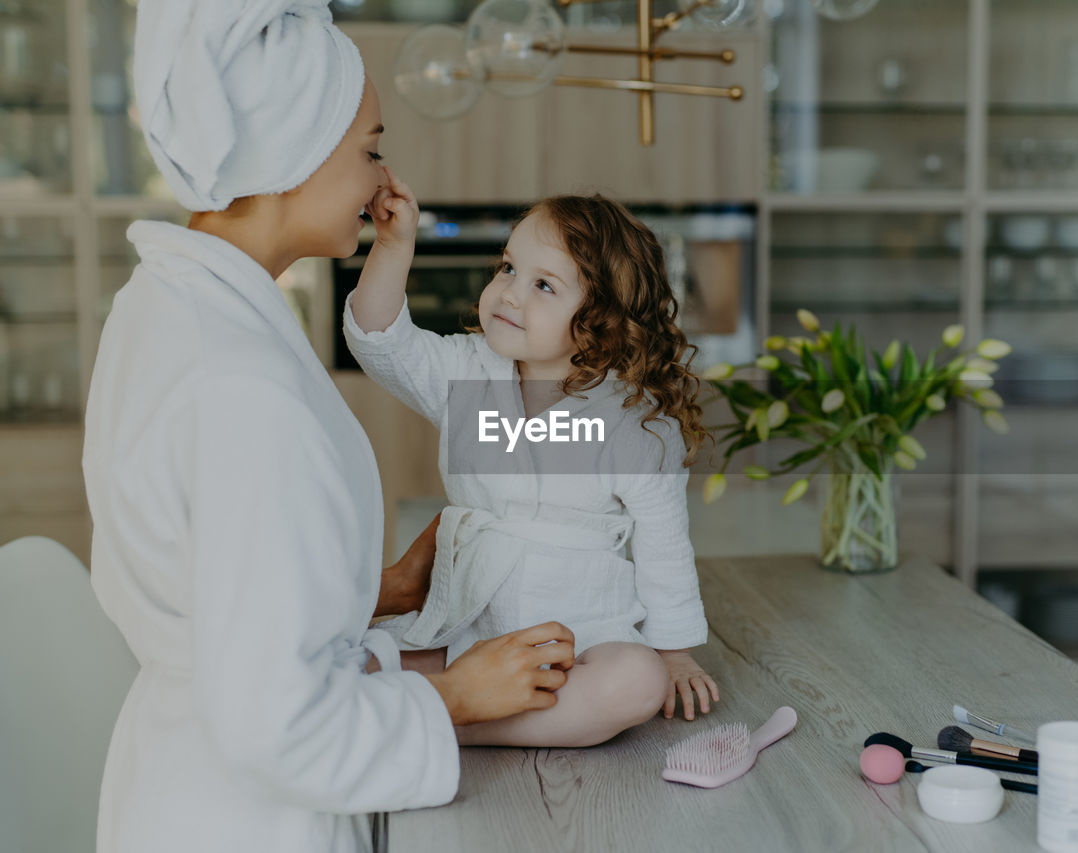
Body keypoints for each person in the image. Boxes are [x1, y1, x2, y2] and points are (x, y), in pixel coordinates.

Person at [83, 2, 574, 851]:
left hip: (178, 781)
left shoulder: (165, 305)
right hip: (249, 819)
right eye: (370, 149)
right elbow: (278, 723)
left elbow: (211, 576)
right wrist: (454, 695)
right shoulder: (243, 389)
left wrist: (373, 590)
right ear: (291, 151)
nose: (384, 184)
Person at [344, 184, 721, 747]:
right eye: (508, 268)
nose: (509, 294)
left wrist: (675, 655)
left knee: (637, 681)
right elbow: (381, 342)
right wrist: (394, 245)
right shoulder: (468, 372)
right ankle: (456, 701)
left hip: (583, 635)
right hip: (468, 623)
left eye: (544, 284)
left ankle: (450, 722)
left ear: (605, 322)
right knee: (350, 665)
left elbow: (664, 549)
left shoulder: (638, 424)